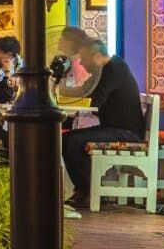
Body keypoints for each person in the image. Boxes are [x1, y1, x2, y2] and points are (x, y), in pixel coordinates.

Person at [56, 26, 147, 211]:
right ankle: (83, 189)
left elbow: (95, 100)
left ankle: (90, 191)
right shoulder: (105, 70)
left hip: (126, 133)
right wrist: (60, 93)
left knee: (72, 141)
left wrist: (71, 101)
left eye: (84, 58)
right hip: (112, 128)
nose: (82, 63)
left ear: (96, 56)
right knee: (67, 139)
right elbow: (84, 92)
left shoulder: (114, 69)